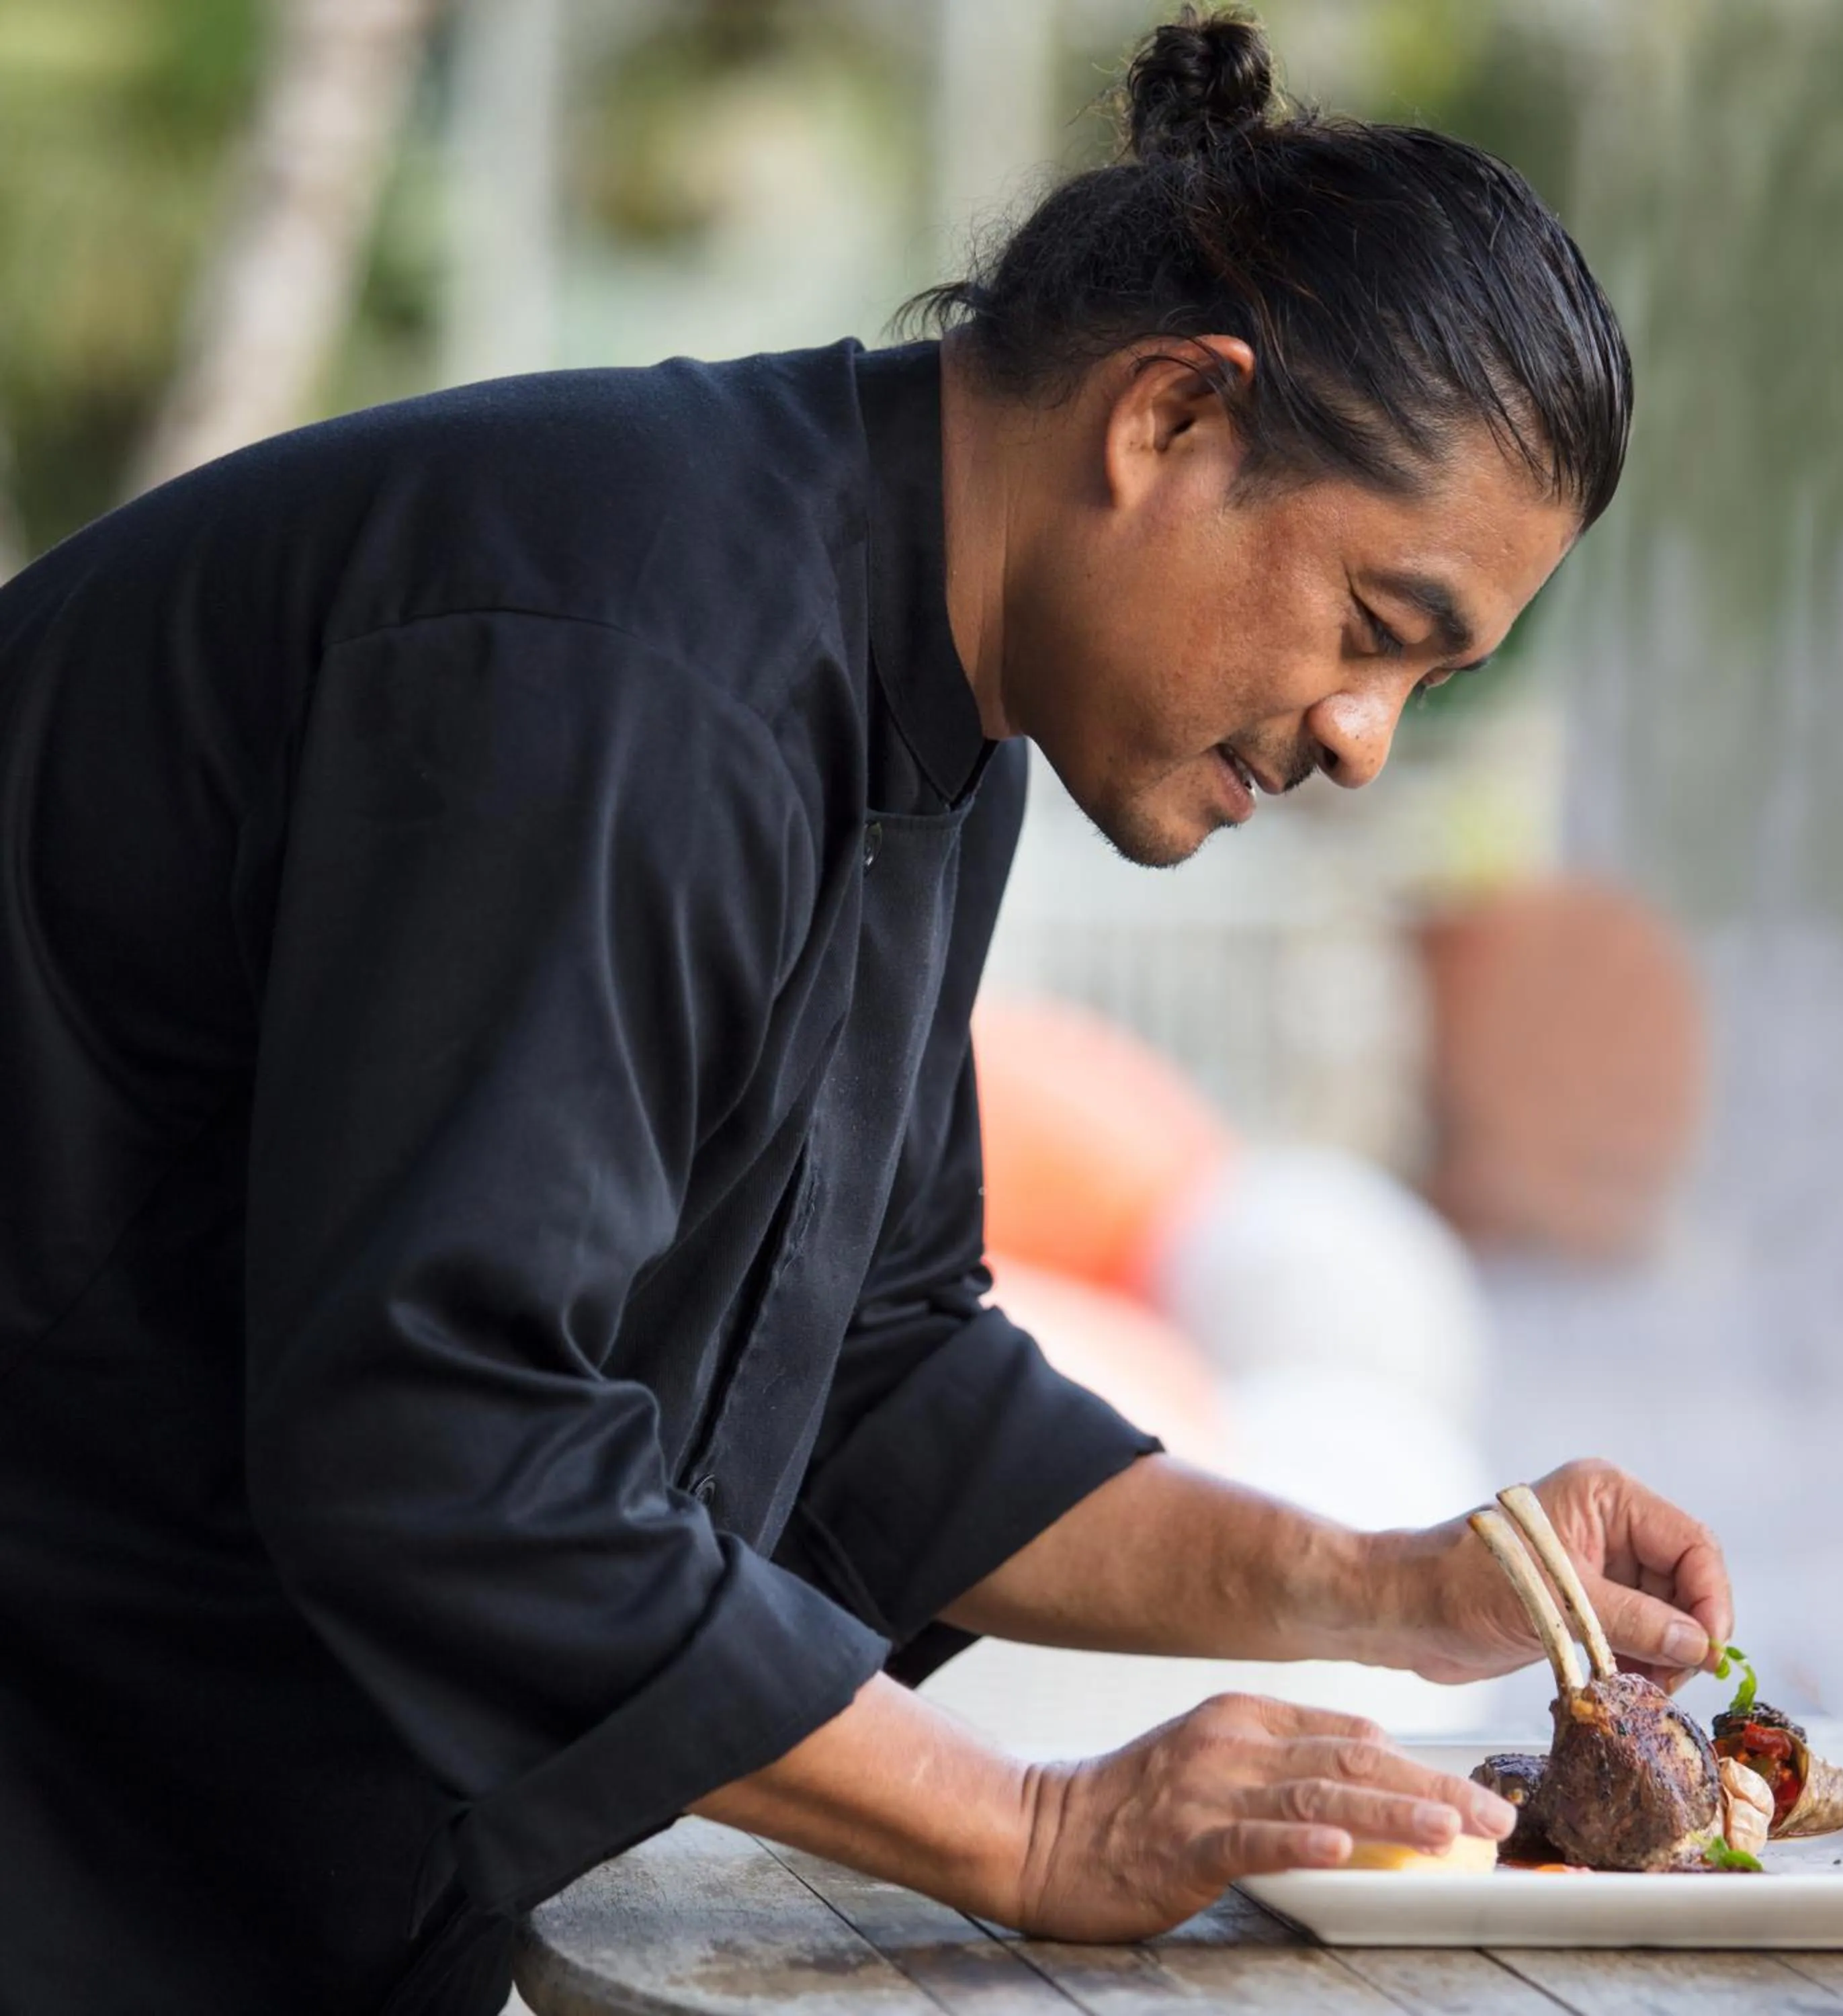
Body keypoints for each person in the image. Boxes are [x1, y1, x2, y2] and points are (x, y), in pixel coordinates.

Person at [0, 10, 1729, 2013]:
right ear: (1171, 420)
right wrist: (1035, 1831)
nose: (1361, 739)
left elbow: (876, 1377)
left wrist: (1390, 1588)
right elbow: (439, 1436)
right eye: (1376, 630)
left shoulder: (927, 708)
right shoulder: (627, 652)